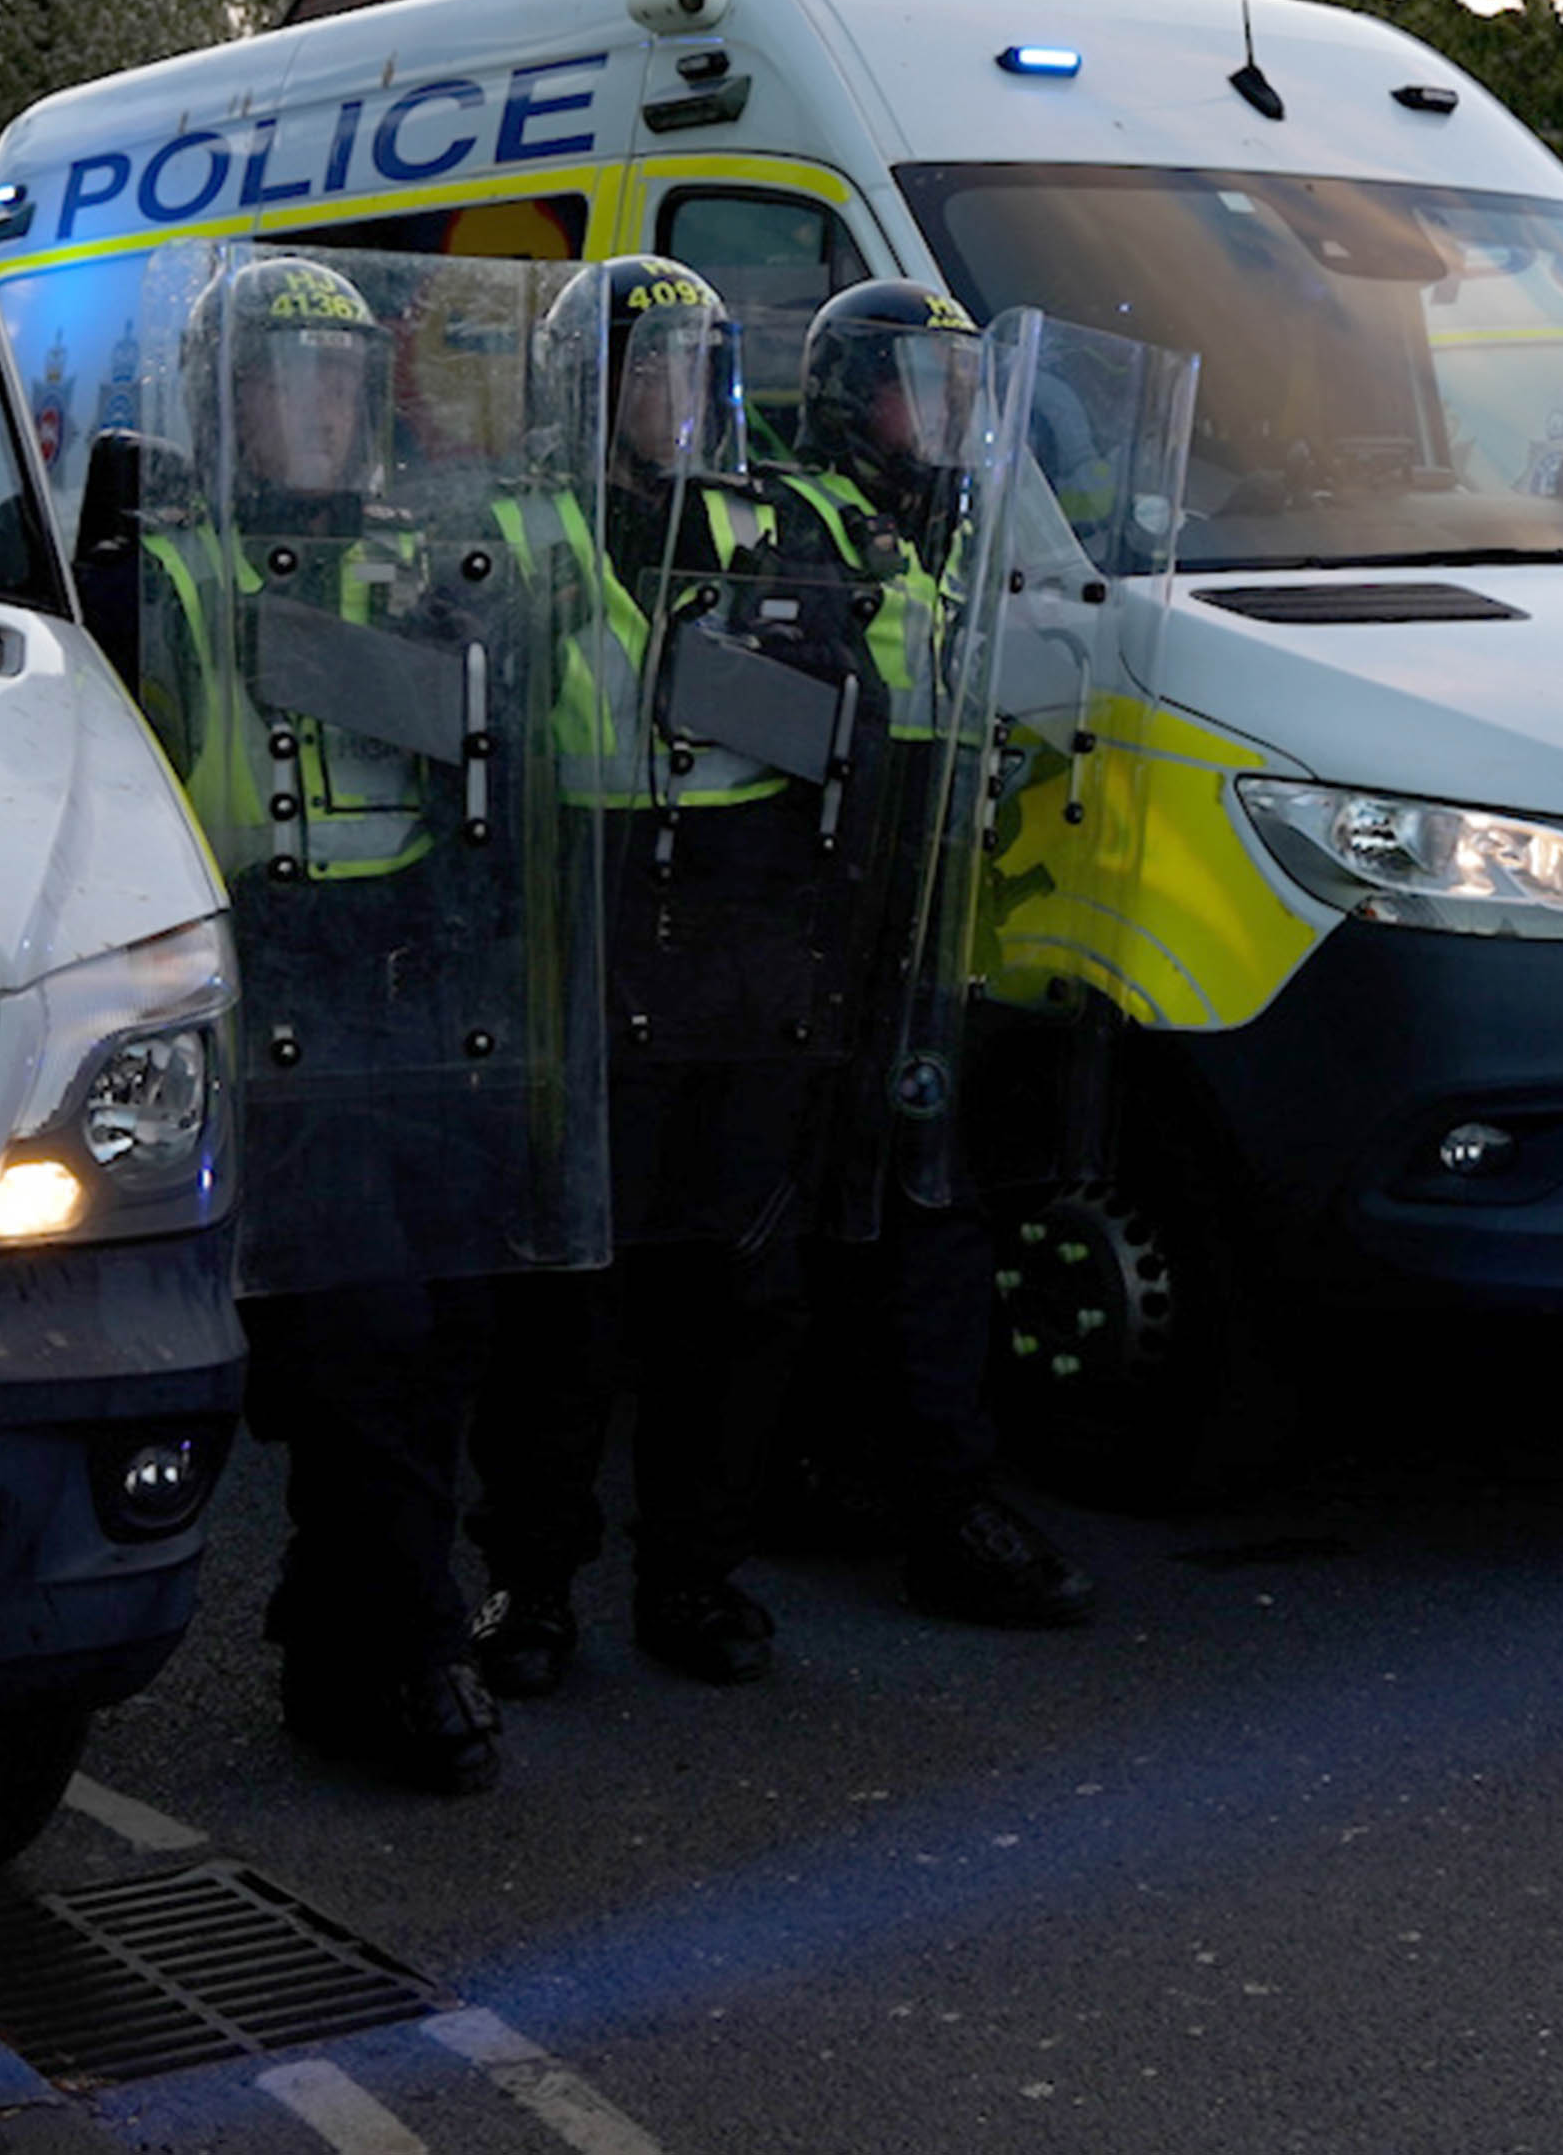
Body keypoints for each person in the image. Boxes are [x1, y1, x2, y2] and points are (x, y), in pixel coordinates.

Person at [120, 254, 578, 1793]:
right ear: (220, 402)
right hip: (267, 981)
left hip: (417, 970)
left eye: (337, 383)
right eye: (280, 381)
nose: (313, 412)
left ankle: (338, 1627)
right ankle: (413, 1647)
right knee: (366, 1334)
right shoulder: (171, 567)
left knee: (444, 1326)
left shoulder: (424, 553)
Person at [468, 258, 889, 1695]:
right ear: (587, 385)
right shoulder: (518, 530)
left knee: (733, 1291)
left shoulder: (769, 524)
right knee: (566, 1302)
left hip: (746, 948)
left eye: (698, 370)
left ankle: (696, 1574)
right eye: (648, 369)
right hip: (585, 936)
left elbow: (858, 716)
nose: (675, 398)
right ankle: (531, 1582)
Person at [764, 280, 1095, 1629]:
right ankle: (864, 1487)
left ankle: (909, 1483)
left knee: (922, 1220)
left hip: (922, 933)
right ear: (854, 397)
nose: (950, 415)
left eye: (966, 387)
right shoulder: (796, 532)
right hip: (814, 935)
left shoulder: (946, 539)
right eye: (921, 385)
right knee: (841, 1228)